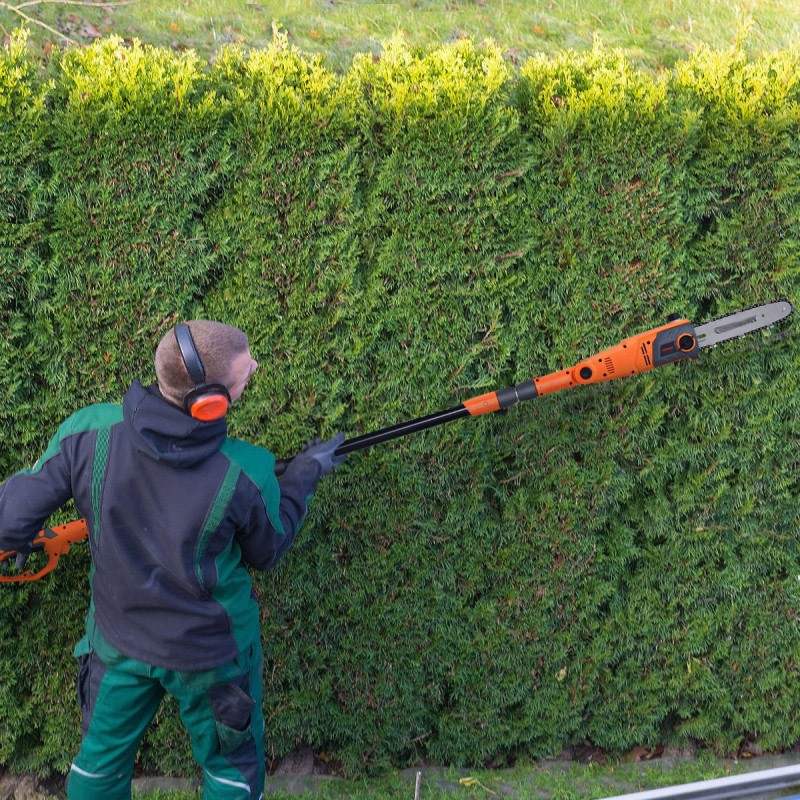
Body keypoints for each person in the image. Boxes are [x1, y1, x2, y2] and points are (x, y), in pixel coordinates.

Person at [0, 320, 346, 800]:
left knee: (97, 771)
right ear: (211, 401)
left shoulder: (88, 432)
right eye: (247, 371)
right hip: (212, 657)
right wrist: (303, 478)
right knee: (231, 774)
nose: (254, 372)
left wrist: (19, 538)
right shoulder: (248, 469)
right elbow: (268, 549)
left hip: (117, 643)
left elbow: (7, 522)